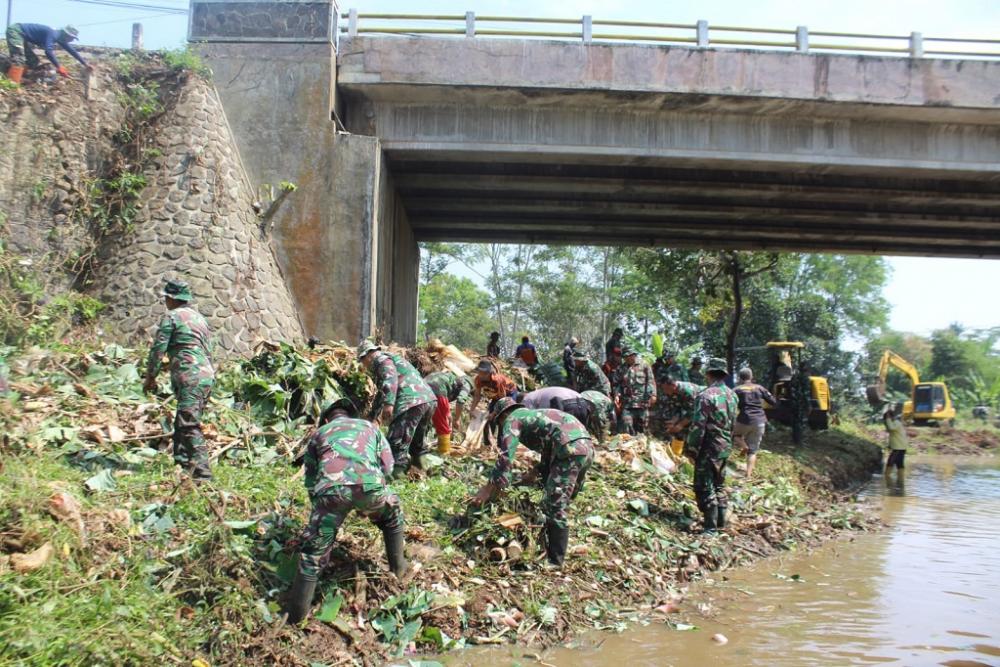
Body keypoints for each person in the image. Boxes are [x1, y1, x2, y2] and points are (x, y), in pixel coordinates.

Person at [285, 398, 406, 623]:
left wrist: (323, 517)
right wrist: (367, 499)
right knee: (392, 517)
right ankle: (399, 572)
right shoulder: (370, 427)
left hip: (331, 492)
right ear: (351, 416)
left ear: (328, 419)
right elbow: (388, 467)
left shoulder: (320, 433)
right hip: (370, 488)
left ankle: (295, 618)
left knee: (312, 555)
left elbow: (311, 481)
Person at [471, 397, 594, 566]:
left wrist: (490, 487)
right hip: (586, 446)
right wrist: (536, 472)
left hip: (569, 449)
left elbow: (506, 456)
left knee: (555, 503)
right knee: (562, 495)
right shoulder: (534, 415)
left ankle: (555, 561)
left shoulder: (512, 419)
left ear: (502, 415)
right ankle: (552, 538)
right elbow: (550, 443)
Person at [143, 279, 215, 481]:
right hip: (206, 376)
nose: (165, 301)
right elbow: (208, 350)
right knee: (182, 420)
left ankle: (203, 473)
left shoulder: (172, 317)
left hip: (189, 376)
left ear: (171, 298)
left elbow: (158, 350)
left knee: (189, 424)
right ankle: (182, 462)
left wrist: (150, 378)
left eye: (166, 298)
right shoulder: (200, 319)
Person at [358, 342, 436, 475]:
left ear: (367, 355)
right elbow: (381, 394)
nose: (364, 365)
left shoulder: (381, 359)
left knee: (396, 444)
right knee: (417, 445)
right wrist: (373, 416)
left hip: (411, 401)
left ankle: (396, 480)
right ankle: (429, 475)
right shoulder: (393, 359)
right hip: (427, 400)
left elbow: (390, 378)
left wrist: (389, 404)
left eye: (362, 361)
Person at [685, 358, 738, 533]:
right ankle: (721, 523)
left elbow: (698, 427)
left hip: (709, 448)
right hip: (725, 447)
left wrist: (691, 449)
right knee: (719, 484)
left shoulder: (705, 396)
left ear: (708, 373)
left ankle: (710, 528)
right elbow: (732, 424)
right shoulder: (732, 395)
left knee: (704, 485)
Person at [5, 24, 92, 84]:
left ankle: (20, 78)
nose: (72, 40)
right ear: (67, 34)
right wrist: (59, 66)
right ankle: (13, 83)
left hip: (23, 37)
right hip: (16, 31)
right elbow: (48, 51)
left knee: (33, 61)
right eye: (72, 38)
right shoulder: (53, 33)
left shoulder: (59, 37)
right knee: (19, 58)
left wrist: (85, 64)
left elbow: (72, 51)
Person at [733, 368, 778, 480]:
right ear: (751, 377)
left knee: (735, 435)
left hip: (744, 419)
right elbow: (773, 401)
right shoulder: (759, 388)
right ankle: (748, 476)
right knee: (753, 451)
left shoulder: (736, 389)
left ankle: (744, 446)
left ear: (739, 378)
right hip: (760, 421)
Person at [423, 370, 473, 453]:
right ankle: (444, 451)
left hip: (422, 385)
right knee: (442, 424)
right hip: (437, 389)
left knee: (424, 418)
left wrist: (448, 414)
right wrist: (457, 419)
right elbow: (461, 400)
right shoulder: (467, 384)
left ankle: (418, 447)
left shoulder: (452, 379)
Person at [614, 347, 656, 435]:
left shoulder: (644, 365)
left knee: (643, 429)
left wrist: (653, 395)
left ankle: (643, 446)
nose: (627, 358)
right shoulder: (621, 368)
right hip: (627, 404)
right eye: (625, 357)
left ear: (634, 355)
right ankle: (630, 445)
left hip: (642, 403)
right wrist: (616, 395)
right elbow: (616, 384)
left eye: (629, 356)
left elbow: (651, 381)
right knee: (626, 426)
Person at [655, 372, 704, 446]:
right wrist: (674, 421)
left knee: (693, 427)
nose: (665, 391)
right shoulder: (672, 391)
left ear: (673, 385)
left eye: (666, 389)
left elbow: (693, 411)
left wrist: (680, 425)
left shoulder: (688, 391)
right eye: (663, 389)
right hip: (691, 407)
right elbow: (677, 407)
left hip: (703, 406)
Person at [521, 386, 593, 429]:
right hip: (581, 401)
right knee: (581, 430)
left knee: (562, 430)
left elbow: (529, 418)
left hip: (563, 403)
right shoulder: (539, 392)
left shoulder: (527, 398)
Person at [790, 362, 812, 445]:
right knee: (801, 423)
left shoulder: (794, 377)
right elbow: (806, 393)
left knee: (795, 422)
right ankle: (799, 442)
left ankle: (795, 439)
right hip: (801, 403)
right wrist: (808, 405)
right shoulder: (805, 378)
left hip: (794, 402)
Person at [883, 407, 909, 476]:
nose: (886, 421)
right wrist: (890, 445)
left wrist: (888, 418)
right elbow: (893, 435)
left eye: (886, 419)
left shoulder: (896, 423)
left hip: (899, 447)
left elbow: (891, 428)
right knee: (899, 463)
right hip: (899, 446)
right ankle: (900, 479)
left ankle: (887, 475)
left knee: (891, 461)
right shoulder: (894, 423)